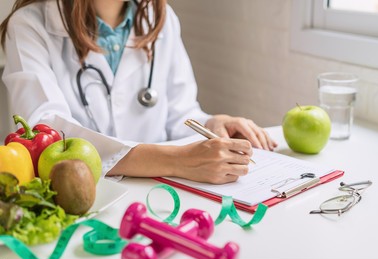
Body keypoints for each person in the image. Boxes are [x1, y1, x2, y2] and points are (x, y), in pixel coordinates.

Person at [0, 0, 277, 184]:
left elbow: (179, 113)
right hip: (81, 203)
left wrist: (211, 124)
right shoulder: (29, 25)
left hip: (158, 198)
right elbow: (44, 133)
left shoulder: (161, 18)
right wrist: (177, 162)